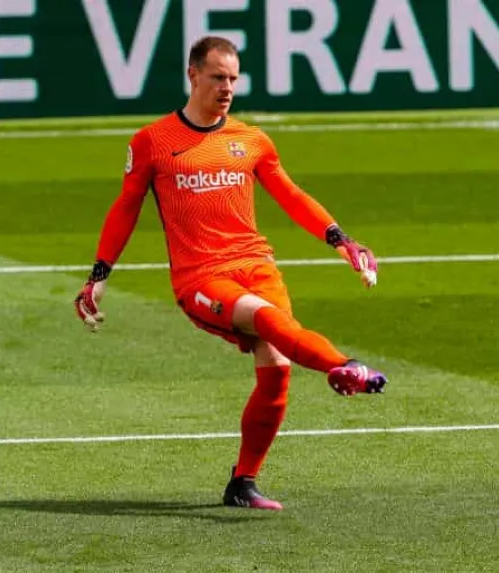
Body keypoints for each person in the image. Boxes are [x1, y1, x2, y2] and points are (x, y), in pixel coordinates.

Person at [74, 36, 387, 511]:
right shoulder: (153, 141)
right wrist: (99, 273)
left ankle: (242, 483)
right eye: (218, 77)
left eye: (233, 79)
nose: (227, 88)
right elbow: (126, 207)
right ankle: (345, 364)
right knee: (266, 319)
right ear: (193, 74)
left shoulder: (251, 140)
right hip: (202, 277)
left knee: (277, 370)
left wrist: (340, 239)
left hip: (257, 266)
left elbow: (290, 194)